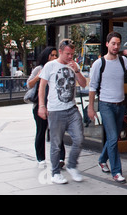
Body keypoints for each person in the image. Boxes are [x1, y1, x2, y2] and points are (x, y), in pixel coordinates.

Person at [87, 32, 127, 183]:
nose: (116, 46)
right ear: (107, 44)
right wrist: (91, 108)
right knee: (113, 138)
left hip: (120, 105)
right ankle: (116, 172)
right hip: (106, 105)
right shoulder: (99, 64)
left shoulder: (123, 60)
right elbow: (92, 87)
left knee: (114, 138)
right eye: (113, 43)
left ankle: (102, 159)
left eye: (118, 43)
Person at [38, 39, 87, 184]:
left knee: (79, 138)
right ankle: (55, 173)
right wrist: (42, 105)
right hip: (55, 110)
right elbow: (42, 87)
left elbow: (84, 84)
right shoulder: (50, 66)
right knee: (56, 143)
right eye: (67, 54)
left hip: (72, 109)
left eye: (72, 54)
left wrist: (76, 70)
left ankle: (72, 165)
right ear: (60, 52)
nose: (70, 57)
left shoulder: (74, 65)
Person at [27, 46, 65, 167]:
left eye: (55, 55)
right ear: (46, 56)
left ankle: (60, 158)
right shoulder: (40, 68)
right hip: (40, 105)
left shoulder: (57, 67)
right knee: (41, 131)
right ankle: (40, 158)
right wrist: (39, 76)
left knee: (57, 132)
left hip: (55, 105)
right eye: (51, 55)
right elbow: (29, 84)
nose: (53, 57)